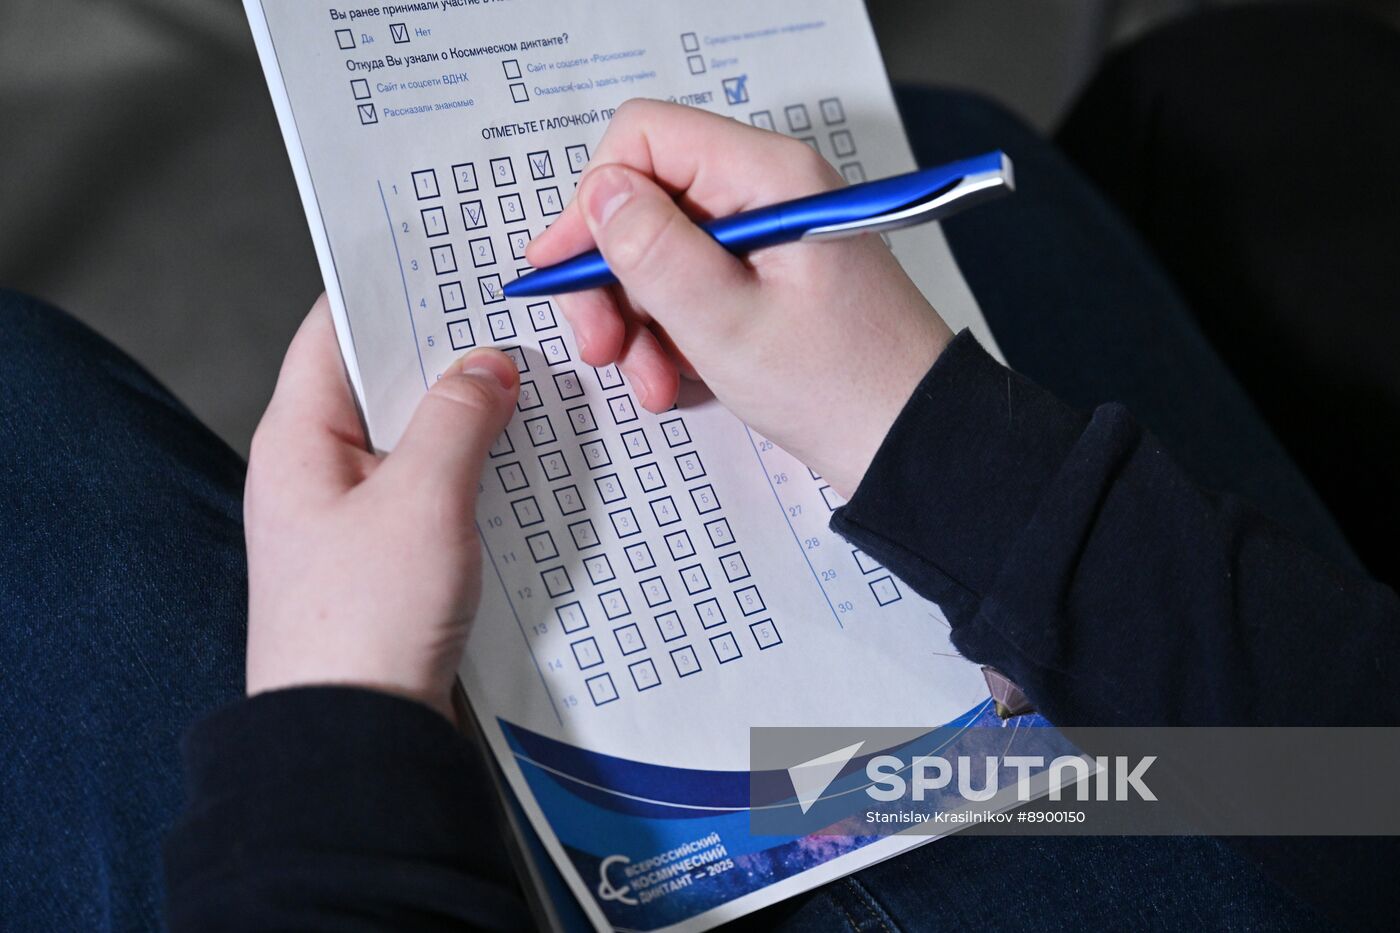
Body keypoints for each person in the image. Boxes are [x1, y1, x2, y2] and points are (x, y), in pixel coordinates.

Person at [4, 10, 1397, 931]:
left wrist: (337, 709)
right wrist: (930, 436)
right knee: (1087, 108)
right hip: (1302, 787)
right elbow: (1362, 777)